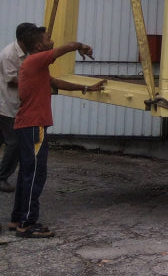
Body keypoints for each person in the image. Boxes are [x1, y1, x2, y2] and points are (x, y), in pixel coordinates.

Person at [9, 25, 105, 238]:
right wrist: (80, 46)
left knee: (28, 174)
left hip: (28, 125)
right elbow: (65, 48)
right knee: (35, 174)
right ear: (39, 45)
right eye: (48, 38)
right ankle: (27, 223)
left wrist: (87, 88)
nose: (52, 41)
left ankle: (17, 219)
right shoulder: (36, 60)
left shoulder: (34, 66)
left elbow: (55, 83)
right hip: (34, 126)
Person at [0, 23, 38, 192]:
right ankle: (2, 177)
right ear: (22, 38)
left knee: (4, 139)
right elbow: (11, 80)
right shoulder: (9, 54)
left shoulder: (29, 50)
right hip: (8, 105)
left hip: (18, 104)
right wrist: (35, 82)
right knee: (14, 143)